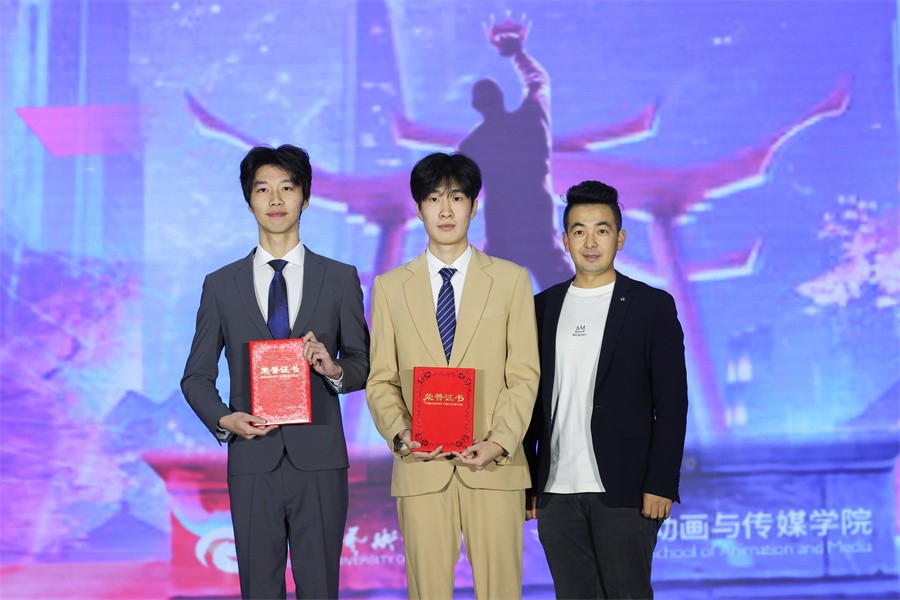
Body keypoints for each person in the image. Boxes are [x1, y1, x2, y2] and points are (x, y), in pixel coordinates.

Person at [181, 144, 370, 599]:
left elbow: (362, 363)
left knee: (320, 587)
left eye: (287, 187)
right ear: (249, 200)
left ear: (306, 197)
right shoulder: (221, 284)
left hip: (320, 458)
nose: (276, 199)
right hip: (252, 457)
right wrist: (225, 419)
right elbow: (196, 376)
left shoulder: (339, 278)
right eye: (263, 189)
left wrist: (332, 368)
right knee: (259, 589)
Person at [365, 152, 540, 599]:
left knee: (501, 592)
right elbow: (380, 379)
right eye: (433, 198)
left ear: (474, 206)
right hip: (421, 466)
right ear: (418, 208)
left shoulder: (511, 280)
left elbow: (524, 375)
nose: (445, 210)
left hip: (495, 464)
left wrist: (500, 442)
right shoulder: (389, 287)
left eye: (457, 197)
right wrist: (402, 435)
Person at [524, 180, 688, 599]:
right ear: (565, 240)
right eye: (579, 231)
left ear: (620, 238)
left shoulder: (651, 306)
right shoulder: (541, 307)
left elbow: (672, 404)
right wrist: (527, 484)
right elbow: (528, 400)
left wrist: (661, 482)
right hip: (556, 491)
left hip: (626, 489)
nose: (590, 242)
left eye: (602, 230)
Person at [459, 17, 572, 290]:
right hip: (538, 229)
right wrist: (517, 53)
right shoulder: (531, 119)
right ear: (501, 97)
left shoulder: (472, 145)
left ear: (475, 105)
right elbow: (538, 82)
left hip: (502, 234)